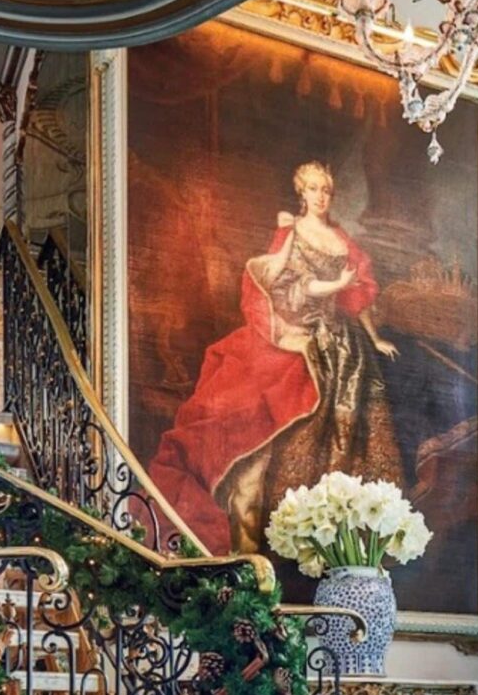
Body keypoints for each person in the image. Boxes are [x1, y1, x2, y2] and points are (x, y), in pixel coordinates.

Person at [148, 161, 403, 555]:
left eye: (326, 190)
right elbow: (285, 284)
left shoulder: (341, 238)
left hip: (344, 346)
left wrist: (375, 337)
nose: (320, 197)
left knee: (352, 436)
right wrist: (333, 285)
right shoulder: (291, 231)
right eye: (314, 189)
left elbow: (357, 296)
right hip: (299, 336)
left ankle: (343, 540)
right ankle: (255, 544)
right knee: (266, 429)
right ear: (301, 192)